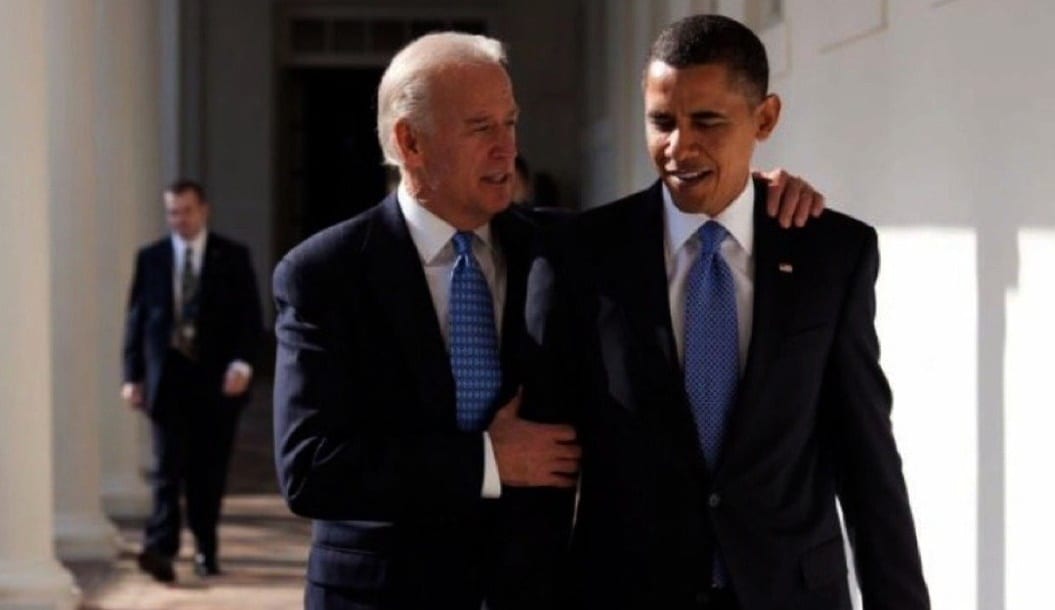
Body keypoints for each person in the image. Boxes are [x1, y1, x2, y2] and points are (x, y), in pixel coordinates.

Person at [272, 31, 821, 610]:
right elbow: (310, 469)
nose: (508, 149)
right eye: (482, 128)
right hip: (380, 596)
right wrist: (488, 461)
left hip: (529, 592)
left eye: (511, 123)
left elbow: (683, 210)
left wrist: (757, 194)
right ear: (411, 142)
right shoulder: (324, 274)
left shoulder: (566, 246)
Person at [531, 14, 929, 610]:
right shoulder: (582, 257)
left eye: (707, 122)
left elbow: (865, 458)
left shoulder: (832, 255)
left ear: (764, 119)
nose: (678, 147)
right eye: (661, 122)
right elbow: (551, 467)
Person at [121, 179, 264, 582]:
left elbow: (249, 321)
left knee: (207, 470)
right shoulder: (150, 259)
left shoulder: (232, 257)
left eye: (186, 211)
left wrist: (242, 366)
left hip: (216, 382)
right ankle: (162, 549)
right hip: (167, 380)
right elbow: (136, 322)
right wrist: (133, 376)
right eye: (172, 213)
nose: (179, 220)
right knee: (167, 469)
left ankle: (206, 547)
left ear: (204, 211)